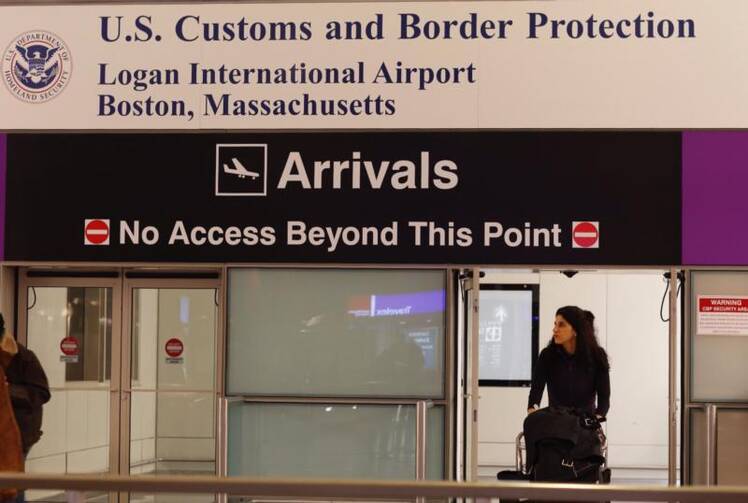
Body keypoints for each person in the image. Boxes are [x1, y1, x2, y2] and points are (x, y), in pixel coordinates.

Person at [0, 314, 50, 503]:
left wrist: (6, 391)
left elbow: (41, 392)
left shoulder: (23, 356)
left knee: (12, 481)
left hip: (20, 433)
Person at [527, 306, 610, 418]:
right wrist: (532, 410)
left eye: (561, 325)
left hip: (585, 426)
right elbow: (536, 390)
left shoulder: (597, 356)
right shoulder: (547, 355)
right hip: (556, 424)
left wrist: (598, 417)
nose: (555, 329)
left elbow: (604, 397)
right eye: (555, 324)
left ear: (575, 330)